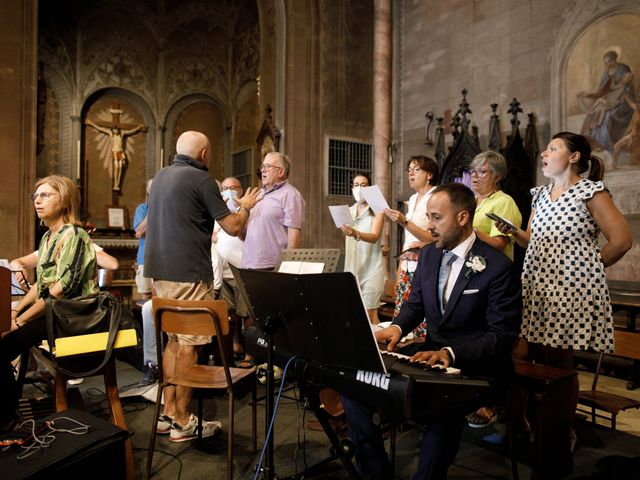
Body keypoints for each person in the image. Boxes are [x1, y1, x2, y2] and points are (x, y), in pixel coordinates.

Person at [344, 183, 522, 480]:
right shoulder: (429, 255)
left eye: (436, 217)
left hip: (479, 367)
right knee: (354, 388)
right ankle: (375, 473)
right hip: (430, 357)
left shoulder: (496, 267)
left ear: (463, 218)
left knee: (445, 410)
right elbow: (415, 305)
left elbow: (501, 337)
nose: (429, 225)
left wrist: (450, 353)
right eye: (428, 216)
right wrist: (397, 328)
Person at [497, 132, 632, 476]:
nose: (544, 152)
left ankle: (556, 443)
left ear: (573, 157)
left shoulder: (591, 191)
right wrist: (513, 232)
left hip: (570, 292)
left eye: (553, 148)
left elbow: (621, 240)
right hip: (537, 286)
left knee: (559, 362)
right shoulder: (540, 195)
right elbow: (534, 239)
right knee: (523, 354)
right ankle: (524, 427)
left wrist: (589, 270)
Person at [144, 131, 260, 443]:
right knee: (190, 344)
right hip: (188, 274)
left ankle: (168, 412)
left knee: (172, 341)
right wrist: (245, 205)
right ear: (204, 153)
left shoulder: (161, 177)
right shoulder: (200, 179)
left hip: (159, 274)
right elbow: (233, 227)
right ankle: (182, 420)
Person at [0, 175, 98, 431]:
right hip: (55, 313)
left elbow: (59, 291)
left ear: (64, 199)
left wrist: (19, 320)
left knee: (3, 344)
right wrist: (15, 311)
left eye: (45, 195)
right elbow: (39, 287)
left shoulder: (75, 236)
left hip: (73, 317)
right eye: (36, 196)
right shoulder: (48, 238)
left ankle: (9, 420)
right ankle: (7, 412)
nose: (37, 201)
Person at [464, 150, 523, 431]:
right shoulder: (469, 201)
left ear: (497, 176)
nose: (475, 176)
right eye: (473, 171)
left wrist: (468, 232)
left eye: (482, 172)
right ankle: (473, 396)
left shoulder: (504, 202)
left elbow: (500, 244)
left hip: (495, 279)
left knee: (491, 340)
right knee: (470, 335)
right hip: (469, 279)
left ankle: (491, 403)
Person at [384, 155, 438, 338]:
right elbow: (408, 239)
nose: (411, 173)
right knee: (403, 317)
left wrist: (404, 221)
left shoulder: (436, 196)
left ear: (429, 174)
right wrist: (400, 268)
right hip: (408, 263)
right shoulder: (413, 198)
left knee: (421, 318)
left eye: (417, 169)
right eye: (410, 170)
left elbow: (435, 237)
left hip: (427, 264)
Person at [240, 152, 305, 270]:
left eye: (268, 166)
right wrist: (241, 210)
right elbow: (244, 232)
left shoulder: (290, 194)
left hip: (272, 266)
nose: (263, 170)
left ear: (281, 172)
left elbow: (294, 236)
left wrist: (287, 268)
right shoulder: (258, 194)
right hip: (247, 264)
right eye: (262, 167)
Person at [339, 173, 384, 324]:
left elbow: (375, 236)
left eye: (364, 185)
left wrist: (355, 233)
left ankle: (377, 347)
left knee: (370, 316)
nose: (359, 188)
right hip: (352, 270)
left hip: (372, 269)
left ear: (370, 188)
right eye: (356, 185)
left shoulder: (377, 208)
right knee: (355, 316)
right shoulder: (347, 211)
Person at [213, 177, 250, 361]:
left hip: (242, 270)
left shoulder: (248, 210)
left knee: (246, 315)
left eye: (233, 188)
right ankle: (234, 346)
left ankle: (251, 353)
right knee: (228, 315)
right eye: (225, 188)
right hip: (222, 272)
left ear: (240, 191)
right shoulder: (217, 211)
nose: (228, 191)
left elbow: (247, 235)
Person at [577, 50, 636, 154]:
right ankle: (592, 143)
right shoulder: (606, 73)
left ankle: (604, 144)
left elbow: (628, 86)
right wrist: (588, 95)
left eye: (609, 61)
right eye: (605, 62)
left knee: (607, 116)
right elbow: (602, 91)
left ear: (614, 59)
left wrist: (627, 100)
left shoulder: (623, 68)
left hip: (623, 102)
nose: (607, 64)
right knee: (592, 115)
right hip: (611, 98)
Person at [85, 118, 144, 191]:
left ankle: (118, 184)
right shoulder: (111, 134)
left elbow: (130, 131)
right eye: (113, 130)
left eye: (115, 130)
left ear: (117, 130)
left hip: (121, 153)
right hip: (115, 152)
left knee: (120, 168)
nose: (114, 131)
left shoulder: (122, 134)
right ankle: (115, 184)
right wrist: (91, 123)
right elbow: (101, 129)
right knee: (116, 167)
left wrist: (138, 128)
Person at [134, 177, 153, 301]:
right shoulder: (142, 209)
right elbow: (140, 232)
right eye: (152, 187)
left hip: (164, 259)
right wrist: (154, 208)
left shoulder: (167, 208)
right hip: (146, 259)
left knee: (162, 295)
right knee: (146, 295)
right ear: (147, 190)